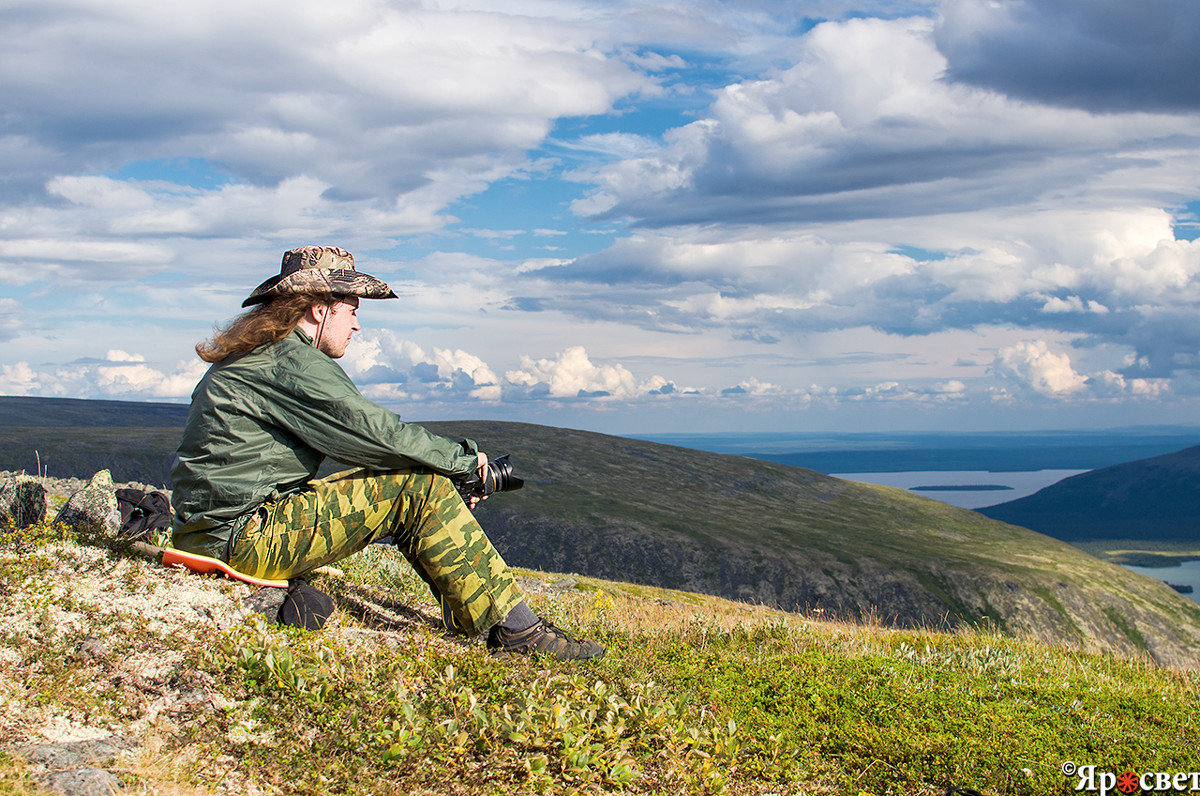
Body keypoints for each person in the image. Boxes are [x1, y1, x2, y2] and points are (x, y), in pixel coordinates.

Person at [170, 245, 604, 661]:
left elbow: (367, 445)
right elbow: (376, 434)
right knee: (417, 488)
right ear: (320, 308)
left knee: (415, 483)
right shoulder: (289, 362)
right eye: (352, 310)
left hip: (211, 531)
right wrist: (466, 462)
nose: (357, 326)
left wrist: (443, 471)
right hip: (240, 538)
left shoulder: (259, 356)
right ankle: (516, 632)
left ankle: (488, 615)